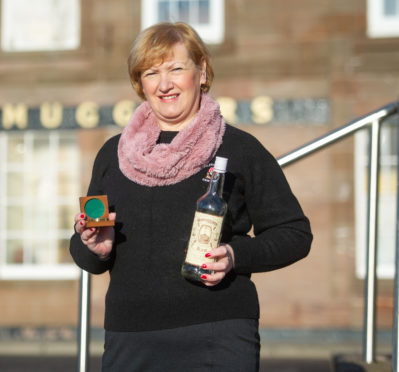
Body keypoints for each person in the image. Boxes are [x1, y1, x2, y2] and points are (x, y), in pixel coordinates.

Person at [70, 22, 312, 371]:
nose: (164, 84)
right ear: (141, 84)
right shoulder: (114, 154)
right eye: (151, 72)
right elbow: (85, 252)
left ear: (202, 72)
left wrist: (234, 255)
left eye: (176, 69)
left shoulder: (239, 149)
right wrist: (93, 247)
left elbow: (295, 234)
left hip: (217, 336)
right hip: (130, 339)